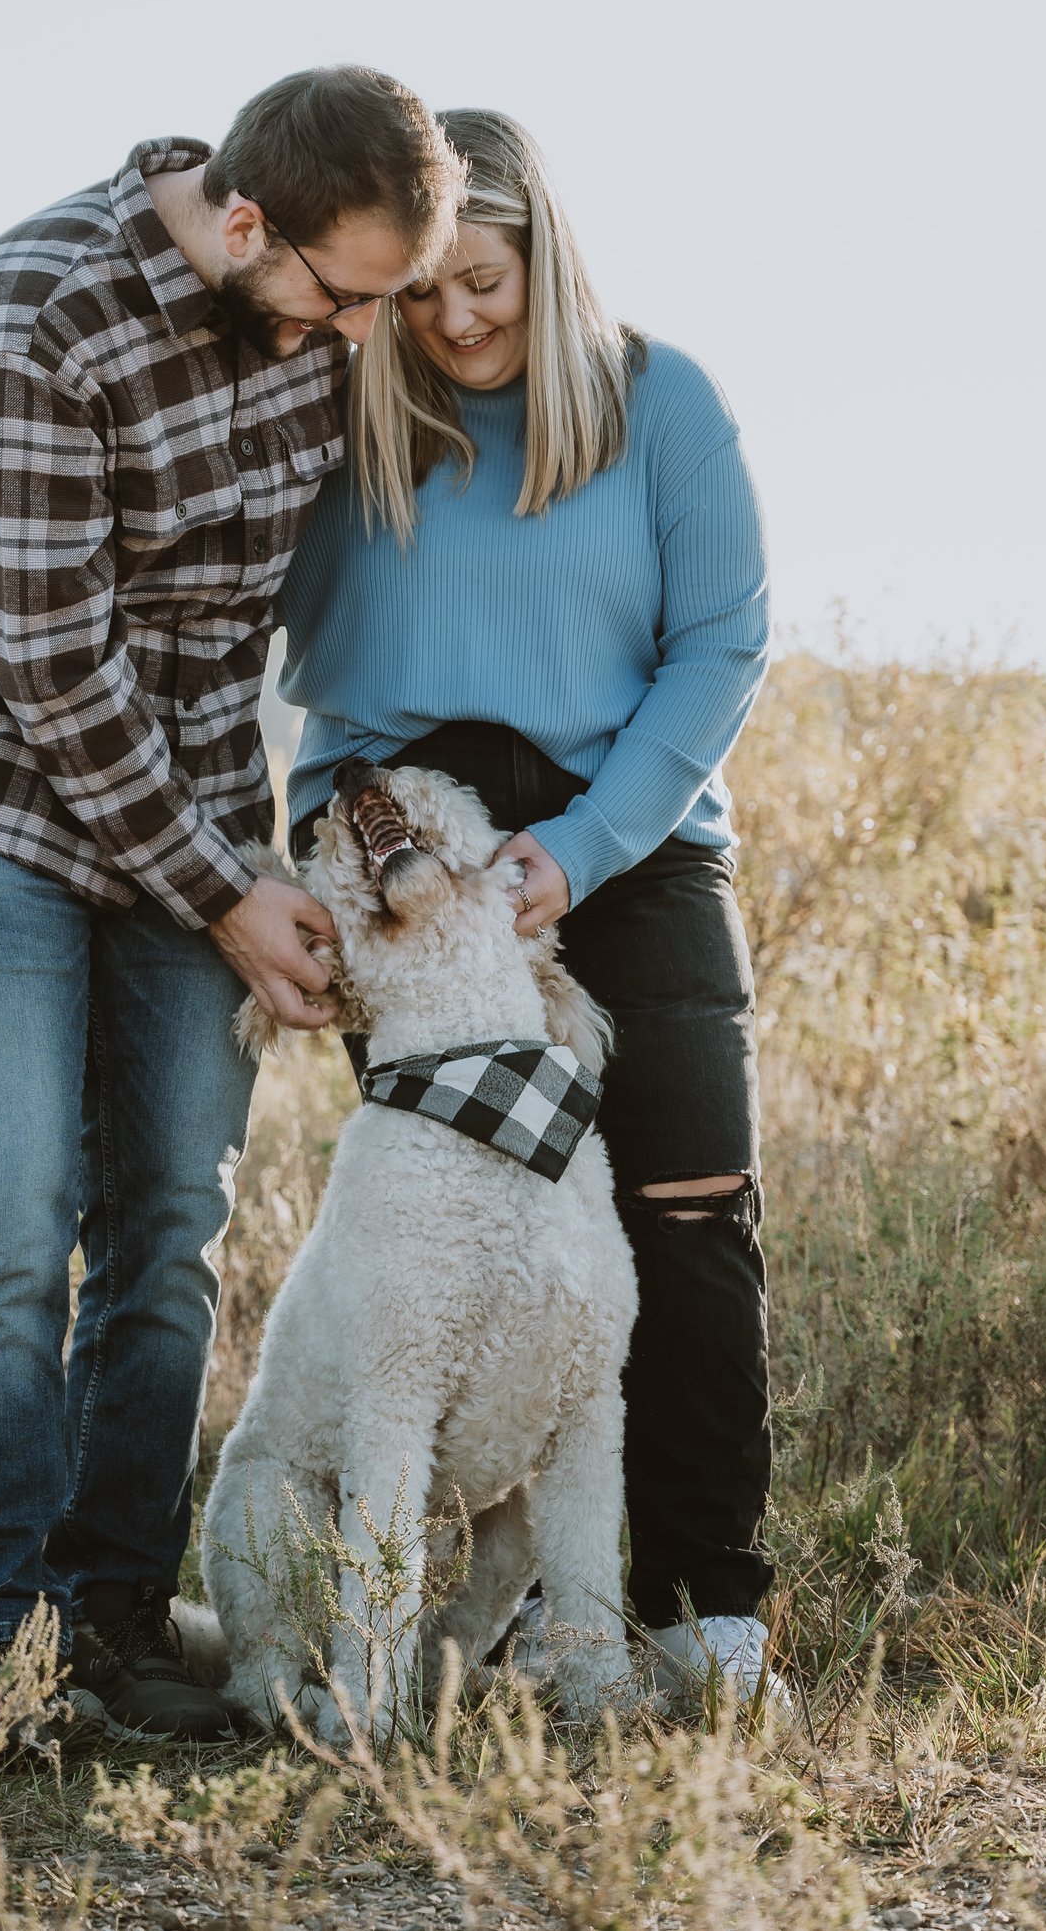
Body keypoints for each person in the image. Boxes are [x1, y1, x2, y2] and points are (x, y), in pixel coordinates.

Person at [0, 67, 463, 1744]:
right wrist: (228, 896)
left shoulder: (322, 324)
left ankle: (111, 1622)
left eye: (386, 303)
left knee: (173, 1228)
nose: (361, 337)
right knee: (7, 1209)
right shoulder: (34, 315)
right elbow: (57, 677)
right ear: (244, 221)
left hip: (190, 826)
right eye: (345, 297)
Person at [275, 108, 781, 1711]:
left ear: (542, 255)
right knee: (465, 1262)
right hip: (425, 877)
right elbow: (228, 612)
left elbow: (723, 641)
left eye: (482, 281)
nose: (457, 321)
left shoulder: (664, 401)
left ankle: (703, 1615)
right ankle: (471, 1623)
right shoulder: (354, 415)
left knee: (685, 1215)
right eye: (421, 294)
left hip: (623, 846)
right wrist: (330, 837)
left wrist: (584, 845)